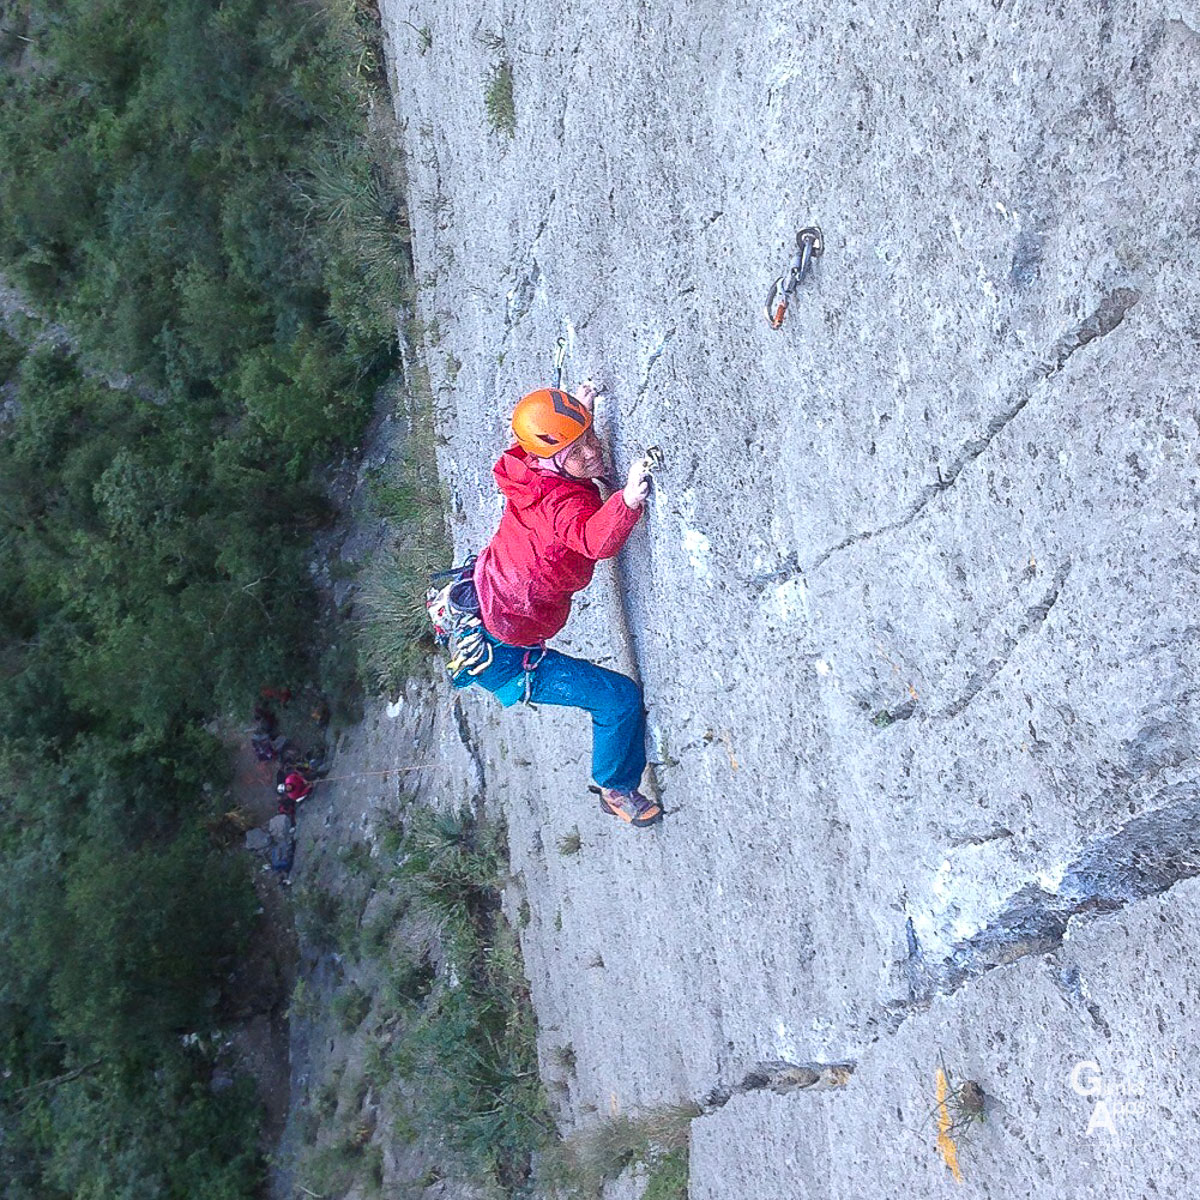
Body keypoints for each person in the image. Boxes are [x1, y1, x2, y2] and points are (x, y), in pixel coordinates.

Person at [467, 381, 661, 827]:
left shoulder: (528, 469)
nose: (592, 452)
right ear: (547, 460)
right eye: (577, 451)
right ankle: (615, 787)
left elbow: (535, 436)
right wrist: (628, 499)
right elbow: (595, 539)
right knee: (617, 699)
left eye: (590, 437)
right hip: (502, 653)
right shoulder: (560, 508)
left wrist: (577, 413)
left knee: (615, 697)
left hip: (485, 597)